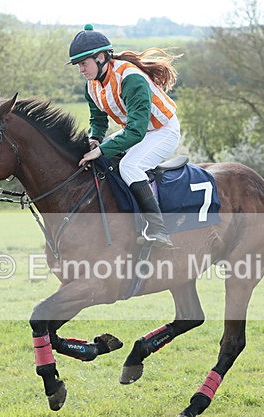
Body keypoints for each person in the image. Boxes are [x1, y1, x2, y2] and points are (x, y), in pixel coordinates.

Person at [69, 24, 181, 249]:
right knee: (100, 160)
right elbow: (98, 121)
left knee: (130, 166)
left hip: (162, 131)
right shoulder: (91, 86)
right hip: (137, 130)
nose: (81, 69)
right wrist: (96, 139)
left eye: (83, 63)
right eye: (78, 65)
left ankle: (159, 229)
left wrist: (101, 150)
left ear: (100, 57)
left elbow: (136, 132)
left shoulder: (131, 78)